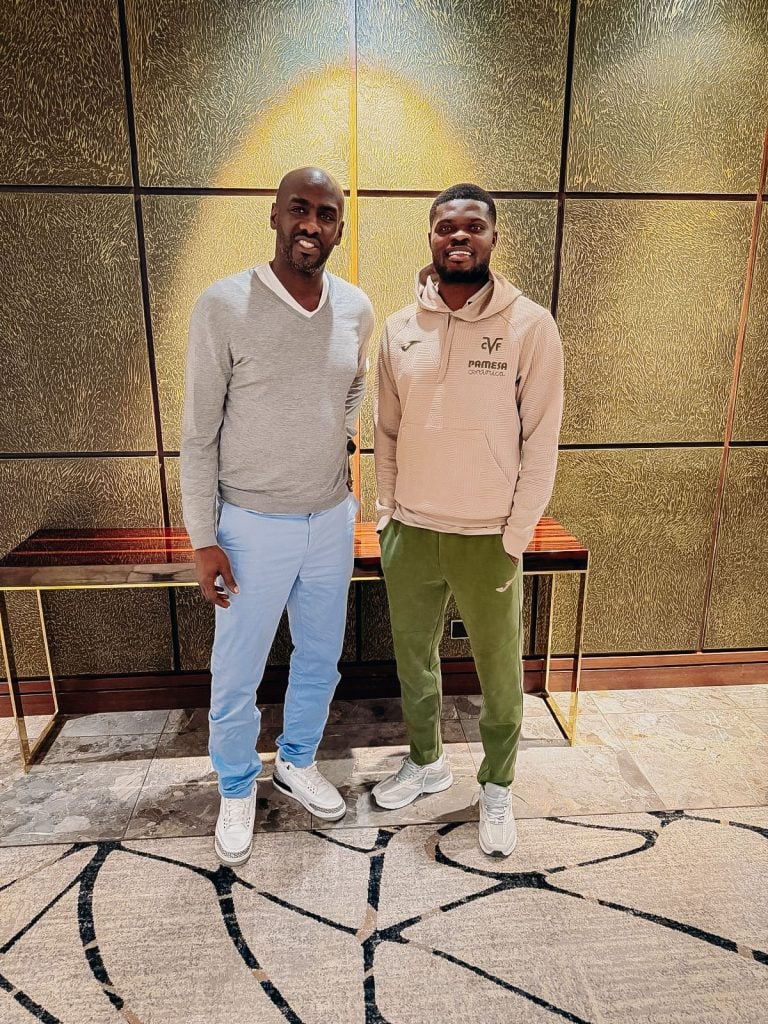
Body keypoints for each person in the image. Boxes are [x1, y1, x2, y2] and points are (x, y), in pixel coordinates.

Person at [181, 167, 373, 866]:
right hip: (250, 526)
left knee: (319, 657)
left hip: (329, 521)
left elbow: (352, 390)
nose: (311, 225)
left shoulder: (356, 308)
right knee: (237, 670)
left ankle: (296, 760)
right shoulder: (222, 305)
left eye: (326, 214)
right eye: (299, 208)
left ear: (339, 229)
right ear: (274, 215)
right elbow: (199, 434)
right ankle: (236, 785)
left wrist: (337, 448)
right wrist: (204, 540)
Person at [372, 183, 564, 856]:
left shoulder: (530, 325)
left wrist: (516, 535)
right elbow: (385, 432)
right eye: (446, 226)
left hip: (488, 537)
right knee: (414, 661)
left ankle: (498, 784)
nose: (459, 236)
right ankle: (426, 761)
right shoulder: (399, 329)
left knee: (500, 672)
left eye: (473, 226)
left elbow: (542, 440)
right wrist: (386, 515)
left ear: (492, 238)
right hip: (412, 532)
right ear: (431, 236)